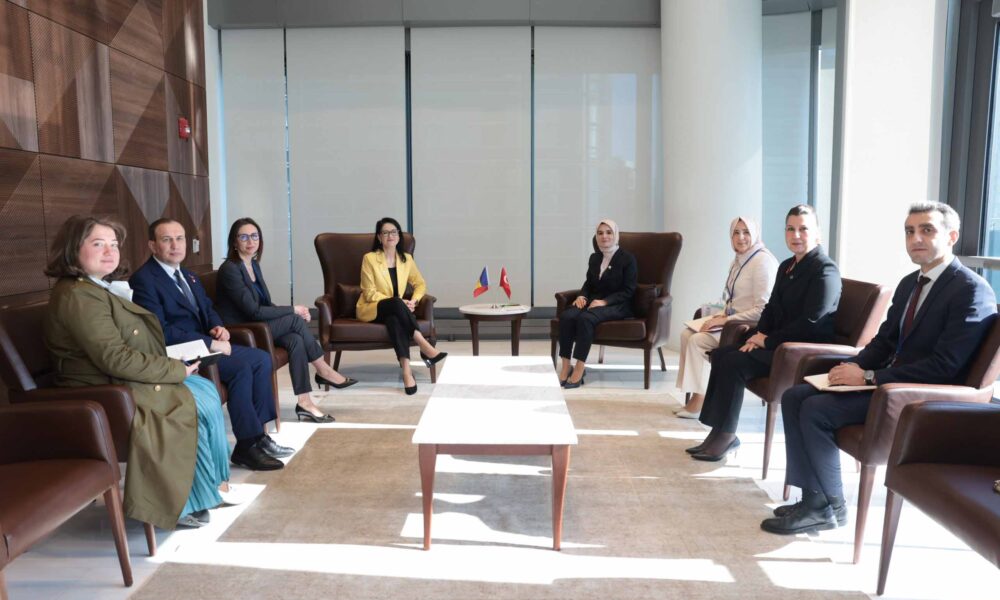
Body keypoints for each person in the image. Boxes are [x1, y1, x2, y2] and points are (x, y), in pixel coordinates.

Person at [761, 202, 997, 535]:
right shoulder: (910, 284)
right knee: (795, 396)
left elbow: (945, 367)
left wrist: (871, 377)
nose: (916, 238)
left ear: (952, 236)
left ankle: (826, 507)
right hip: (888, 386)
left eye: (927, 230)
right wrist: (853, 366)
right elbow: (884, 342)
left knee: (816, 409)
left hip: (920, 401)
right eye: (910, 231)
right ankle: (817, 500)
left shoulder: (970, 290)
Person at [43, 216, 239, 530]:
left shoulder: (94, 288)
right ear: (72, 249)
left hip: (116, 379)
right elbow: (114, 358)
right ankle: (178, 501)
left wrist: (174, 368)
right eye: (98, 244)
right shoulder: (77, 296)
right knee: (189, 402)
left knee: (203, 391)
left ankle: (207, 488)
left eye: (113, 244)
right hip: (103, 390)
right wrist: (173, 369)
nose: (109, 251)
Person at [130, 218, 291, 471]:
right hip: (179, 352)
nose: (175, 245)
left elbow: (208, 308)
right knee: (241, 368)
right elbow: (159, 330)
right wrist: (210, 343)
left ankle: (258, 436)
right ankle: (246, 445)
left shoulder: (189, 275)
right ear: (152, 245)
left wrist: (218, 327)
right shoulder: (144, 280)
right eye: (166, 240)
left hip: (203, 345)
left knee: (261, 359)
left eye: (180, 239)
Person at [689, 205, 842, 461]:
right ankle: (718, 432)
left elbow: (811, 323)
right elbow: (771, 309)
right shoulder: (787, 267)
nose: (796, 235)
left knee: (733, 362)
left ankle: (725, 435)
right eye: (790, 229)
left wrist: (767, 340)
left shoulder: (825, 270)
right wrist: (757, 335)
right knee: (722, 355)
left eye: (803, 229)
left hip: (802, 353)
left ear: (818, 233)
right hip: (778, 346)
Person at [215, 218, 357, 424]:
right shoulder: (230, 269)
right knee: (295, 321)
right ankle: (323, 370)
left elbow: (265, 304)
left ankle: (305, 402)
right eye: (243, 237)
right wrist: (293, 310)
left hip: (257, 326)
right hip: (242, 331)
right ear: (234, 242)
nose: (250, 241)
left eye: (254, 236)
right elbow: (253, 311)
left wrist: (293, 312)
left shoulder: (253, 265)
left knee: (295, 340)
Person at [674, 217, 778, 418]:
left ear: (755, 234)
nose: (741, 237)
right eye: (736, 233)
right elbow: (731, 299)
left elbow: (763, 309)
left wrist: (724, 321)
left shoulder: (762, 262)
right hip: (731, 321)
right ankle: (695, 394)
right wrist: (718, 316)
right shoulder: (738, 261)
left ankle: (699, 400)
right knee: (687, 334)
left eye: (746, 232)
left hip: (746, 327)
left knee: (696, 341)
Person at [356, 217, 446, 395]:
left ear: (399, 235)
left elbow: (420, 284)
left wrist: (414, 301)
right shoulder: (370, 259)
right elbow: (369, 293)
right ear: (379, 237)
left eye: (394, 231)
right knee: (396, 302)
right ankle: (423, 344)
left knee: (394, 320)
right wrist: (398, 302)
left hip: (395, 311)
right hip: (372, 308)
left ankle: (406, 371)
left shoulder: (406, 259)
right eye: (385, 232)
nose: (390, 235)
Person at [557, 219, 638, 389]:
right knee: (567, 316)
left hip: (618, 304)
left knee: (585, 319)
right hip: (593, 301)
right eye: (600, 233)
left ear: (615, 235)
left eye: (608, 232)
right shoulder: (595, 258)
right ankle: (565, 366)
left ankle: (579, 368)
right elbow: (588, 283)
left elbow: (628, 290)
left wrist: (605, 301)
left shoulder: (627, 259)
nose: (604, 236)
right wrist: (582, 296)